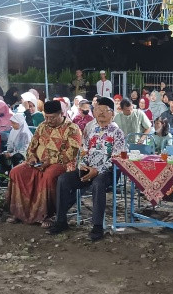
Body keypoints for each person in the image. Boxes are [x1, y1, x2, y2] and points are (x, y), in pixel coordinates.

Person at [49, 97, 126, 241]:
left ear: (112, 114)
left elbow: (116, 158)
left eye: (105, 111)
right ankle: (61, 221)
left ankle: (97, 226)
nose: (101, 113)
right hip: (88, 169)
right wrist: (83, 165)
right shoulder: (91, 130)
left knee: (98, 183)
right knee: (63, 180)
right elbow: (83, 151)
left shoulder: (117, 133)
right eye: (98, 110)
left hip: (108, 172)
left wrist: (97, 170)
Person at [6, 100, 82, 226]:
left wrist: (50, 161)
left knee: (48, 176)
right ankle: (19, 212)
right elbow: (32, 145)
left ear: (61, 114)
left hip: (61, 163)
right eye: (46, 117)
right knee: (16, 172)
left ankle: (47, 215)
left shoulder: (72, 129)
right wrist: (31, 157)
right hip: (38, 163)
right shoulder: (42, 126)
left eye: (52, 117)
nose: (48, 120)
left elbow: (71, 153)